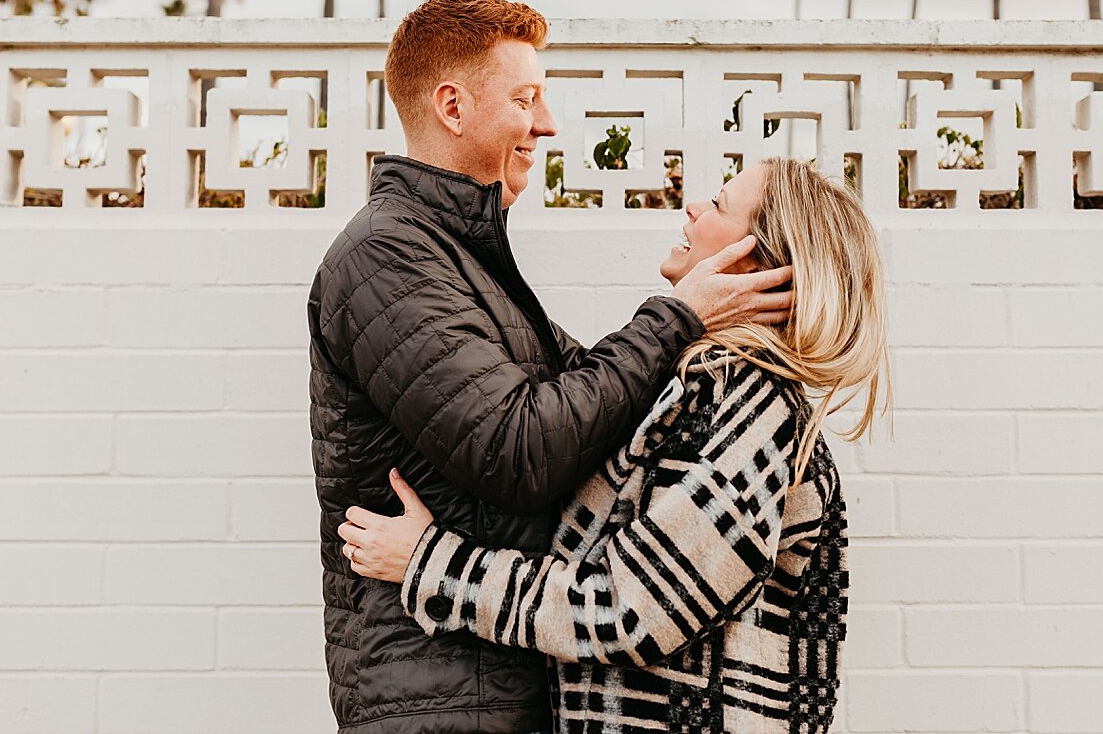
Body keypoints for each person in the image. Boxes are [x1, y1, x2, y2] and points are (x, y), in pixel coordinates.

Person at [308, 0, 795, 734]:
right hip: (441, 696)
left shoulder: (460, 256)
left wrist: (701, 325)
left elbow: (585, 395)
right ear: (451, 106)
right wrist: (679, 316)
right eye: (525, 98)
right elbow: (518, 450)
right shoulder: (387, 255)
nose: (546, 123)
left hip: (490, 678)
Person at [338, 156, 893, 734]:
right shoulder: (687, 392)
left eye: (720, 204)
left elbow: (626, 610)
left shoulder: (758, 413)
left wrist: (431, 564)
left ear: (755, 265)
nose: (693, 207)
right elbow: (567, 396)